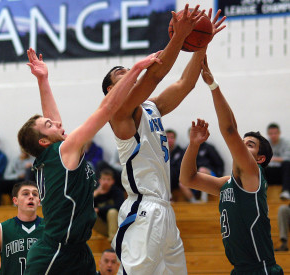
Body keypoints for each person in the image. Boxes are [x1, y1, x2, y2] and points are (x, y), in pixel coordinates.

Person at [102, 5, 226, 274]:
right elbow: (155, 75)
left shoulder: (150, 107)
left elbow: (185, 84)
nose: (132, 74)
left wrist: (202, 42)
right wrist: (179, 37)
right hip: (143, 208)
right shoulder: (119, 113)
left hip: (165, 208)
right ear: (112, 90)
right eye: (124, 74)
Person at [17, 48, 162, 275]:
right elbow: (106, 108)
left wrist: (43, 79)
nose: (57, 123)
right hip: (54, 252)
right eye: (49, 125)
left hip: (78, 251)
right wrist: (136, 69)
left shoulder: (54, 153)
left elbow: (53, 119)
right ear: (44, 141)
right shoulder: (63, 152)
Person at [179, 56, 283, 274]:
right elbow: (188, 179)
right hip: (239, 269)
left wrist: (213, 85)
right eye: (242, 143)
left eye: (250, 145)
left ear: (259, 158)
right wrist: (193, 145)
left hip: (260, 268)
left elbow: (229, 131)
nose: (243, 147)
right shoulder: (227, 184)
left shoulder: (253, 174)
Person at [0, 181, 44, 275]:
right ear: (15, 201)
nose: (31, 196)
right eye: (25, 193)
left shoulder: (48, 228)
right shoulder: (2, 229)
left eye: (35, 194)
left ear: (39, 202)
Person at [94, 168, 125, 241]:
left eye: (108, 179)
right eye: (104, 179)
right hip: (104, 225)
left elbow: (119, 206)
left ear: (112, 181)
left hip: (117, 224)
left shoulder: (117, 191)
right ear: (100, 181)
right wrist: (94, 195)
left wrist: (99, 209)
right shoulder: (95, 192)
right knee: (89, 214)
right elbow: (85, 207)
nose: (106, 182)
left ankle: (113, 240)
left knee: (112, 212)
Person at [265, 123, 290, 200]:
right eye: (271, 133)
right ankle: (261, 190)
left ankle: (286, 191)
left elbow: (287, 158)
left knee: (287, 164)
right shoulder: (265, 143)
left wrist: (271, 158)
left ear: (279, 133)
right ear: (268, 134)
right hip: (269, 172)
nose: (273, 135)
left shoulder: (285, 142)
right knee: (259, 166)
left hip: (282, 174)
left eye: (275, 133)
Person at [165, 129, 185, 197]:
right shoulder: (159, 152)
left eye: (172, 137)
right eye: (167, 137)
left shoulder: (181, 152)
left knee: (170, 173)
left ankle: (168, 197)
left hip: (177, 178)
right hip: (165, 176)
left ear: (175, 139)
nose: (169, 140)